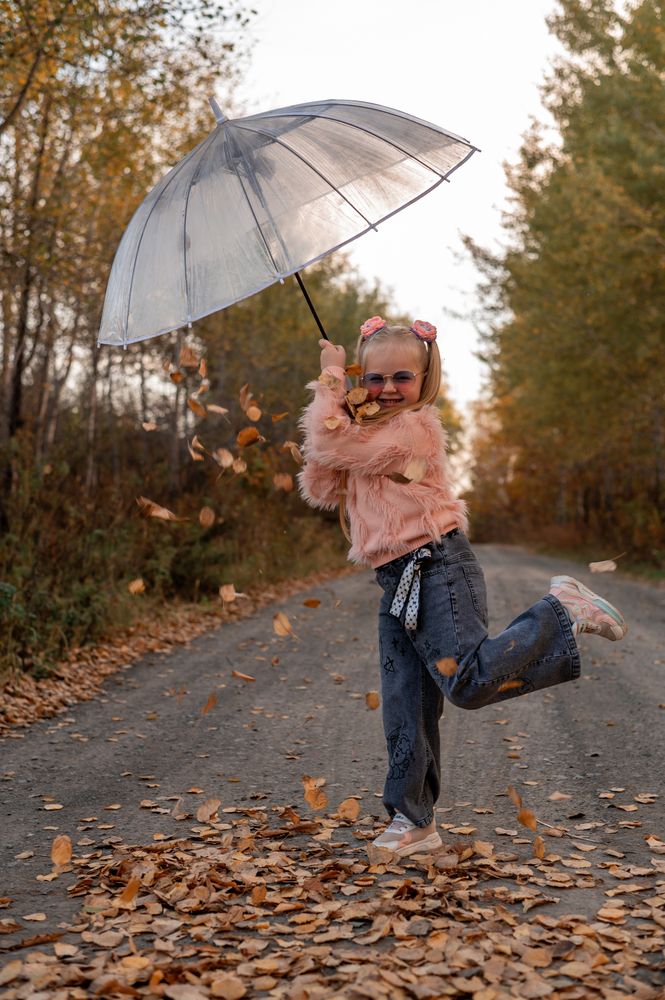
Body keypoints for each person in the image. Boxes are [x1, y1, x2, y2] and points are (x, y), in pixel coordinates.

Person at [297, 317, 628, 858]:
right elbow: (319, 482)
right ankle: (413, 822)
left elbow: (336, 450)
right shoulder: (360, 432)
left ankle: (559, 611)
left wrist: (330, 386)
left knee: (469, 683)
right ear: (364, 378)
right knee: (405, 702)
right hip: (395, 580)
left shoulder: (413, 429)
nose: (387, 389)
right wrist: (335, 419)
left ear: (425, 379)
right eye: (374, 378)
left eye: (401, 377)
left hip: (437, 567)